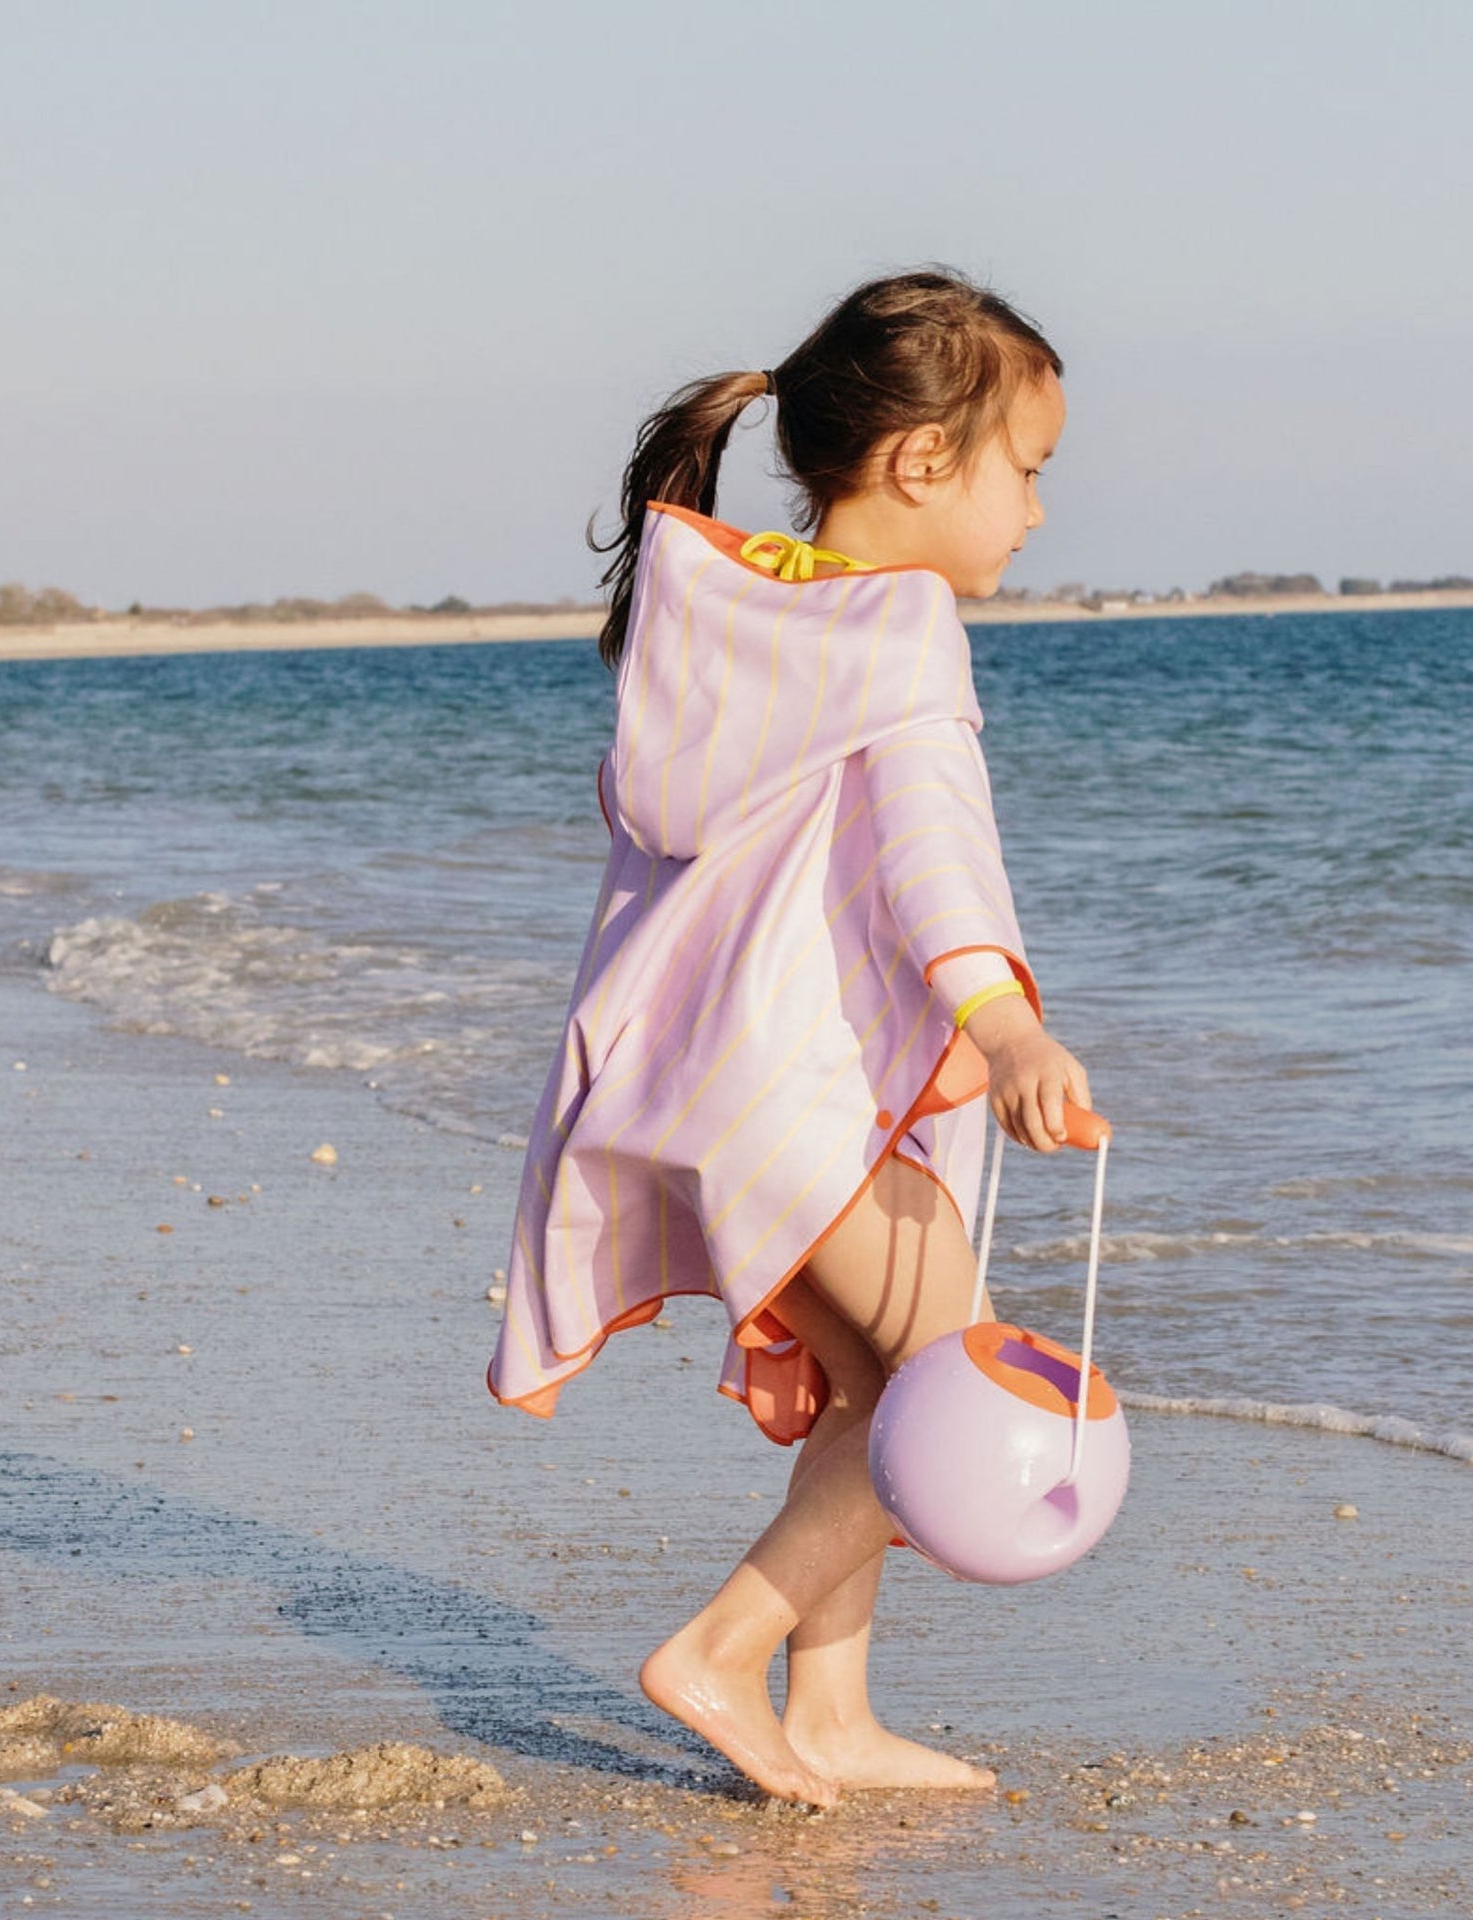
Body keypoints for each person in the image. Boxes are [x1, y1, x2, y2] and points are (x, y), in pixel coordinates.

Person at [488, 268, 1093, 1806]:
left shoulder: (727, 607)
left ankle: (831, 1713)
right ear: (921, 463)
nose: (1032, 512)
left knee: (875, 1386)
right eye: (1027, 470)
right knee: (947, 1374)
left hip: (692, 1078)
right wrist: (1006, 1028)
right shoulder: (901, 629)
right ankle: (719, 1648)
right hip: (796, 1088)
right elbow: (931, 849)